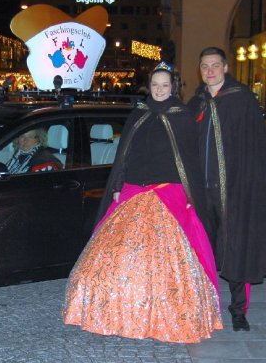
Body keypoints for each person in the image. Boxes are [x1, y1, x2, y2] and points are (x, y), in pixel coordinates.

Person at [62, 61, 223, 343]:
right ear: (148, 87)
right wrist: (117, 185)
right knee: (114, 255)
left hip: (169, 192)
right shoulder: (138, 114)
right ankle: (117, 314)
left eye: (165, 85)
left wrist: (191, 195)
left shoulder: (183, 117)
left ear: (173, 87)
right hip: (133, 190)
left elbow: (191, 161)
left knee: (166, 261)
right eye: (155, 85)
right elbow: (125, 155)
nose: (159, 90)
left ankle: (165, 319)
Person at [188, 47, 266, 331]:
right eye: (204, 66)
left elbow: (254, 148)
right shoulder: (197, 103)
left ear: (226, 68)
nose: (210, 71)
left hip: (234, 190)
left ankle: (238, 310)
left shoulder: (241, 100)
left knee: (237, 248)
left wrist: (248, 185)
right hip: (202, 192)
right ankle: (204, 306)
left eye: (215, 65)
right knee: (202, 247)